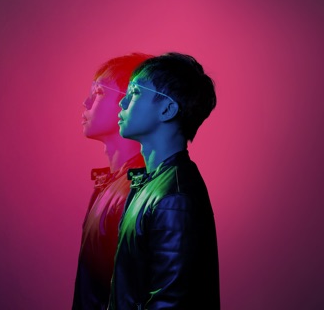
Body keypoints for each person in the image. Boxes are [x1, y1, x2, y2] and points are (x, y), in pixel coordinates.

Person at [109, 52, 221, 309]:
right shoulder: (151, 184)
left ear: (167, 109)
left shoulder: (174, 198)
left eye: (135, 92)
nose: (122, 102)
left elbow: (170, 303)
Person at [72, 52, 153, 310]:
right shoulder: (112, 184)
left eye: (98, 92)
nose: (85, 102)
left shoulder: (136, 190)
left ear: (130, 102)